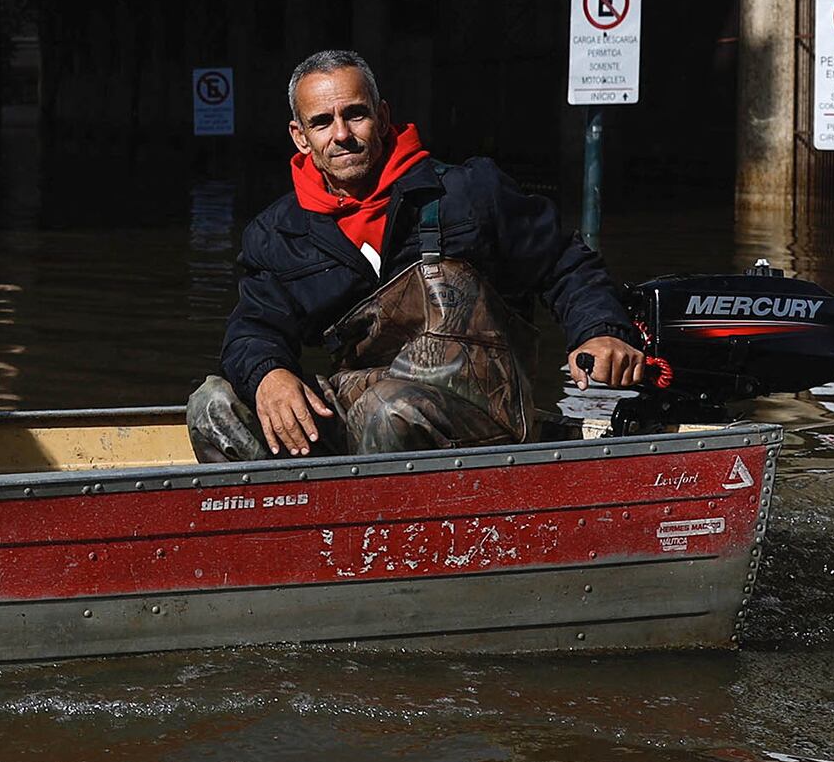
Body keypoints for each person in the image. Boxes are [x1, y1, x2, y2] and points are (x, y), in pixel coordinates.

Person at [188, 50, 646, 463]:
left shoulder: (468, 192)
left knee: (389, 411)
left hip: (481, 417)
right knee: (213, 405)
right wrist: (270, 374)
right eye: (322, 122)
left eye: (356, 115)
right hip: (359, 409)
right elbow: (254, 326)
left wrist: (600, 332)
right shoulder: (277, 233)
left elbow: (564, 263)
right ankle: (297, 537)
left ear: (383, 116)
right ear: (300, 137)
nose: (342, 134)